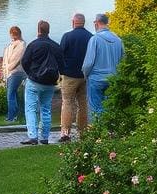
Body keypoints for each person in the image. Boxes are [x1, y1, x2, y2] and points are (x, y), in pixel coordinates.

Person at [19, 20, 63, 145]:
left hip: (35, 80)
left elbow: (25, 61)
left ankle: (33, 136)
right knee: (46, 109)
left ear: (38, 30)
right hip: (50, 82)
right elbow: (61, 64)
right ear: (48, 30)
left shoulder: (33, 45)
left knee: (31, 108)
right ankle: (44, 137)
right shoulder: (56, 46)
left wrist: (30, 74)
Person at [82, 13, 124, 120]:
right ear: (107, 23)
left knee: (96, 108)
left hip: (96, 79)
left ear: (97, 23)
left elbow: (88, 63)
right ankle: (111, 131)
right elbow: (123, 60)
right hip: (113, 78)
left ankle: (99, 133)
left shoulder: (95, 39)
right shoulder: (118, 40)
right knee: (110, 106)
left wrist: (85, 75)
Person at [58, 13, 92, 143]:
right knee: (83, 104)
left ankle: (65, 133)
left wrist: (61, 72)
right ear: (84, 22)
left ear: (73, 22)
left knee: (67, 102)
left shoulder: (67, 36)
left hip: (69, 75)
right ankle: (82, 132)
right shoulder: (91, 37)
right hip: (85, 76)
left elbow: (60, 55)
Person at [2, 25, 26, 123]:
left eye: (14, 33)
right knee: (13, 94)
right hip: (9, 73)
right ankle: (15, 114)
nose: (12, 35)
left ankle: (11, 117)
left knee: (10, 95)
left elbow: (17, 59)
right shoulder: (10, 45)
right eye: (12, 33)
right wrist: (5, 70)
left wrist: (9, 69)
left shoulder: (21, 44)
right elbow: (5, 59)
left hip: (16, 72)